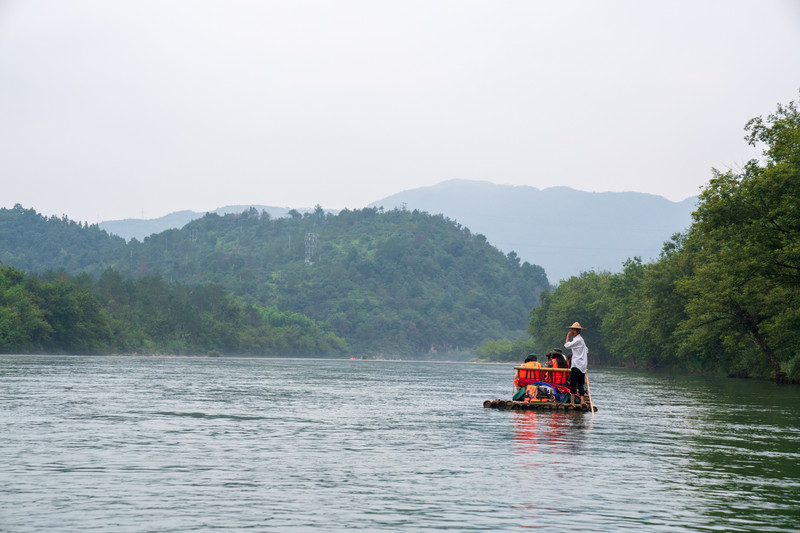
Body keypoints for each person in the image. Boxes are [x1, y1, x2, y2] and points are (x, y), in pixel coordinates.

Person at [564, 322, 589, 403]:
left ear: (578, 331)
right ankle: (582, 401)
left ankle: (572, 402)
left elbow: (566, 345)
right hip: (582, 365)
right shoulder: (580, 340)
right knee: (580, 383)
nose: (572, 331)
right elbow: (587, 350)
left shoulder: (578, 340)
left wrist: (568, 336)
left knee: (573, 383)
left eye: (573, 329)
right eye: (572, 329)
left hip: (577, 364)